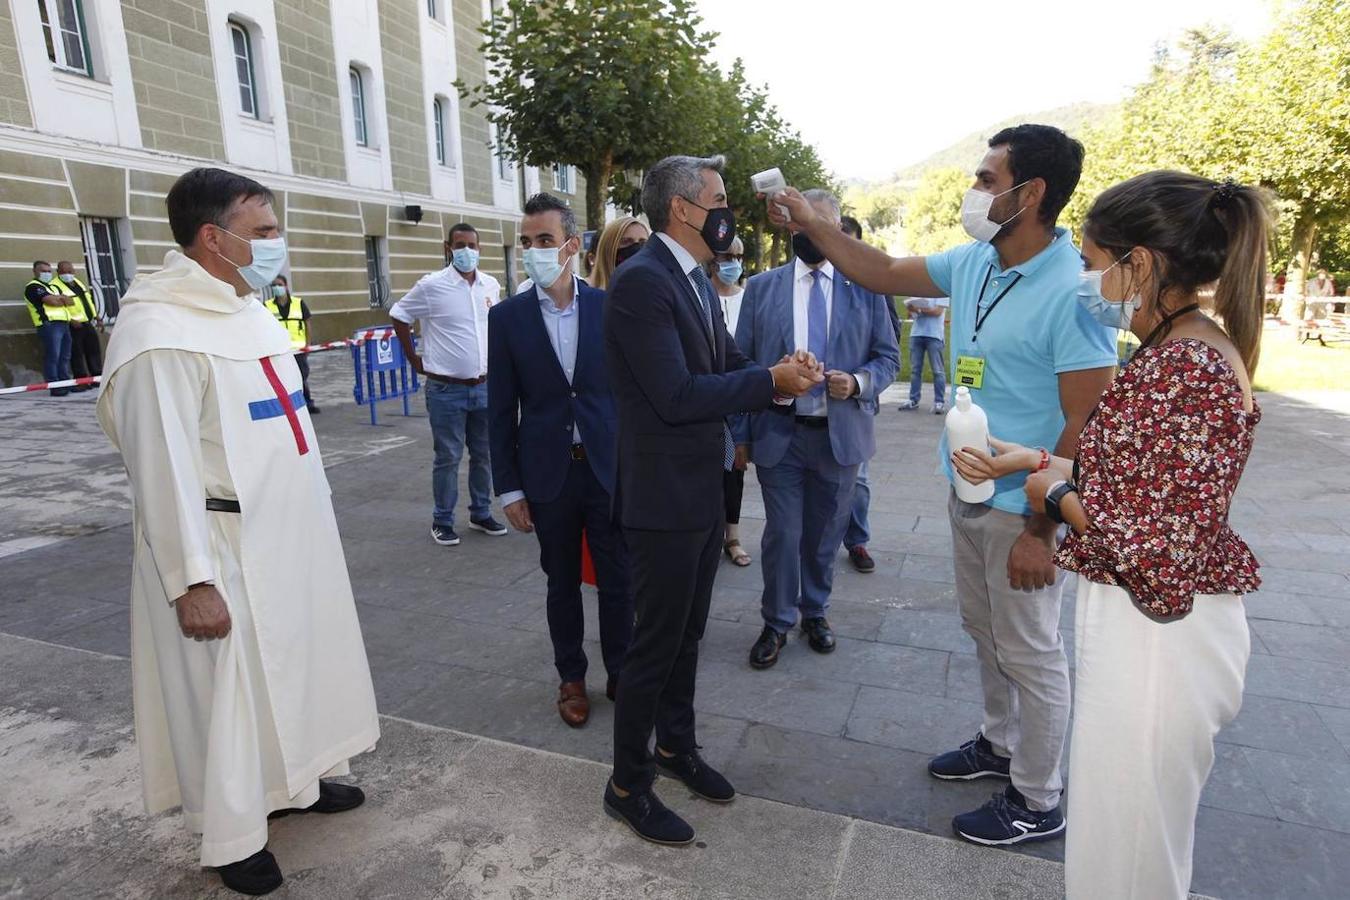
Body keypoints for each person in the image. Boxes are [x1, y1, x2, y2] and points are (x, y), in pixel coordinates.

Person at [766, 124, 1117, 846]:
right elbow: (884, 269)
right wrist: (812, 224)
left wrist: (1041, 528)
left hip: (1025, 505)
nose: (975, 190)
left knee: (1032, 649)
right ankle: (999, 744)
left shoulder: (1081, 292)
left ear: (1033, 193)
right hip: (967, 489)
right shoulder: (975, 261)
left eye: (988, 179)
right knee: (987, 631)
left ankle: (1038, 795)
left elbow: (1088, 422)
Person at [953, 172, 1268, 899]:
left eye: (1095, 265)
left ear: (1143, 264)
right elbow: (1143, 488)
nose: (1089, 282)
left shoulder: (1187, 365)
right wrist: (1033, 460)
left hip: (1159, 636)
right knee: (1117, 845)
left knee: (1128, 862)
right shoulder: (1177, 348)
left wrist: (1055, 495)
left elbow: (1159, 556)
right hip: (1147, 628)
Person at [93, 167, 379, 895]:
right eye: (263, 232)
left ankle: (305, 780)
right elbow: (160, 470)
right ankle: (234, 834)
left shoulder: (243, 309)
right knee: (232, 697)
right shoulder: (160, 334)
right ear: (212, 238)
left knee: (299, 666)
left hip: (290, 536)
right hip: (225, 549)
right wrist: (192, 581)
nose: (277, 244)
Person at [603, 153, 823, 845]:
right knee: (653, 645)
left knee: (687, 638)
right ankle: (626, 783)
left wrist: (777, 372)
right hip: (662, 500)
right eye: (721, 198)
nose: (731, 209)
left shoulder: (689, 277)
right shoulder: (643, 283)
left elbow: (721, 362)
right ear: (683, 209)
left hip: (698, 491)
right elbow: (674, 395)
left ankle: (675, 747)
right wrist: (772, 384)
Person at [736, 189, 899, 668]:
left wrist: (858, 382)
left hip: (839, 436)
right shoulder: (762, 288)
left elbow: (888, 358)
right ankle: (777, 620)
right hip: (779, 432)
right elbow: (741, 363)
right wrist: (743, 431)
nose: (809, 231)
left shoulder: (864, 287)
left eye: (820, 222)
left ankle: (816, 611)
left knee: (826, 533)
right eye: (801, 222)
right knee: (783, 533)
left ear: (836, 227)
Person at [488, 193, 633, 729]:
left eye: (544, 241)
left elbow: (628, 395)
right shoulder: (506, 319)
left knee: (618, 578)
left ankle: (621, 669)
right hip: (547, 475)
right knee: (561, 581)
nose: (533, 251)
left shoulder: (608, 307)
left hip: (605, 468)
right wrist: (509, 488)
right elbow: (500, 411)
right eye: (526, 242)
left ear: (572, 246)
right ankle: (571, 677)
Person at [390, 222, 506, 546]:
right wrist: (414, 359)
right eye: (460, 244)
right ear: (448, 248)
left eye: (472, 244)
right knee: (448, 456)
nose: (466, 250)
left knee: (484, 454)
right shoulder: (432, 286)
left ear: (479, 248)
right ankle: (442, 519)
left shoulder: (490, 285)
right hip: (446, 389)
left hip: (484, 385)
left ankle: (481, 512)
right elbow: (399, 314)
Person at [838, 215, 902, 572]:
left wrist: (862, 380)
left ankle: (857, 540)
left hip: (856, 400)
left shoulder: (872, 287)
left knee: (858, 479)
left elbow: (889, 342)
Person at [713, 236, 752, 567]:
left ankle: (733, 535)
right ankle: (710, 533)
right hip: (709, 393)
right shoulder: (700, 296)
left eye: (739, 256)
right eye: (727, 255)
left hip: (738, 394)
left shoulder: (748, 298)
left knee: (735, 469)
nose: (734, 263)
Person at [265, 275, 319, 413]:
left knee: (301, 376)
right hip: (279, 350)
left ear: (286, 286)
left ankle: (307, 403)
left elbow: (307, 323)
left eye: (279, 285)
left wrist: (308, 344)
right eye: (274, 286)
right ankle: (288, 405)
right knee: (282, 378)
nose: (277, 288)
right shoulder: (268, 305)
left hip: (299, 349)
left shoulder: (298, 303)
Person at [49, 261, 102, 390]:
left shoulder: (77, 282)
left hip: (86, 322)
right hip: (72, 325)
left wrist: (96, 316)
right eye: (64, 272)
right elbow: (58, 306)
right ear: (58, 272)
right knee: (76, 353)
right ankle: (81, 381)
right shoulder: (54, 286)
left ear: (74, 271)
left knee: (93, 350)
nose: (67, 274)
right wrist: (71, 320)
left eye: (70, 271)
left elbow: (87, 301)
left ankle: (97, 377)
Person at [25, 260, 75, 395]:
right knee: (53, 356)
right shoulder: (34, 287)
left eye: (49, 271)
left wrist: (59, 298)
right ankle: (55, 386)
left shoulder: (53, 287)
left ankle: (65, 382)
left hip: (63, 323)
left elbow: (70, 301)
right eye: (43, 271)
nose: (47, 274)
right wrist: (59, 299)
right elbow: (51, 301)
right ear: (35, 272)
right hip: (49, 325)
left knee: (65, 356)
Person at [897, 294, 949, 413]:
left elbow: (938, 312)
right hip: (916, 334)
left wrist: (919, 310)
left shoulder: (941, 292)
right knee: (915, 370)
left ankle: (939, 402)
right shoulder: (918, 292)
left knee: (938, 371)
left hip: (934, 335)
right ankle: (913, 400)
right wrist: (911, 310)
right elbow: (911, 316)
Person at [588, 215, 649, 291]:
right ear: (608, 250)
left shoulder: (657, 294)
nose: (636, 247)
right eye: (626, 241)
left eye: (643, 242)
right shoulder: (589, 299)